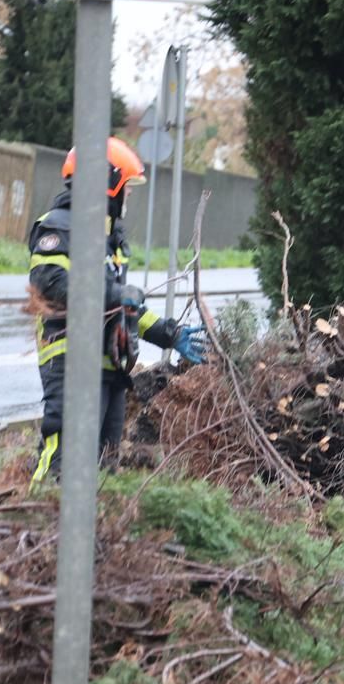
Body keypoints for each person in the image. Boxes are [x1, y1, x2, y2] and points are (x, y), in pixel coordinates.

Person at [27, 137, 208, 485]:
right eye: (127, 186)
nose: (130, 195)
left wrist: (169, 334)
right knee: (63, 458)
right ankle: (40, 520)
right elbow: (50, 284)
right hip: (72, 360)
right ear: (106, 184)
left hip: (109, 364)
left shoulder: (111, 237)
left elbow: (121, 308)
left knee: (104, 465)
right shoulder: (60, 226)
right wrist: (114, 292)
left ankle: (97, 531)